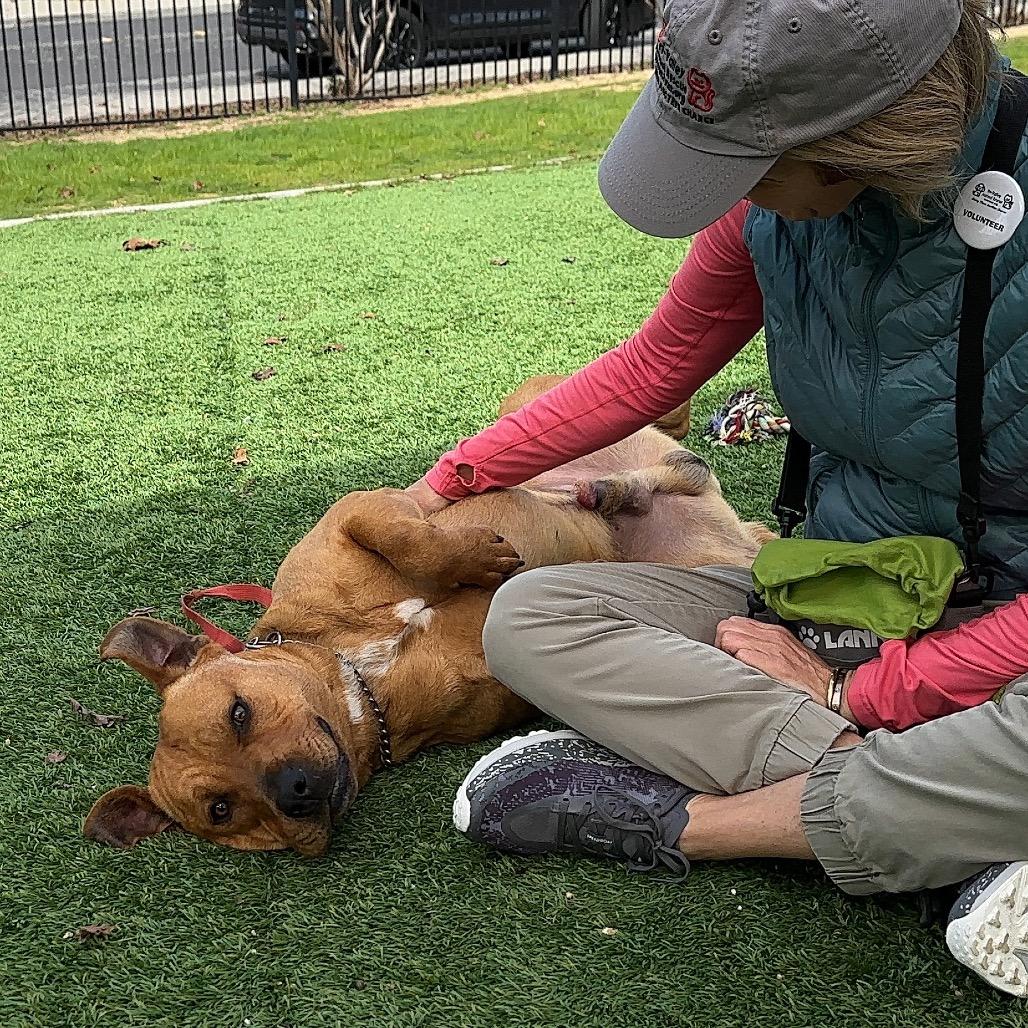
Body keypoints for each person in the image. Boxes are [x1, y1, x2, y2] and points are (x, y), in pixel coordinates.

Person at [411, 0, 1028, 998]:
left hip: (998, 638)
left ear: (856, 142)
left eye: (747, 168)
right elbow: (652, 366)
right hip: (836, 593)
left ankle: (695, 822)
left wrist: (858, 696)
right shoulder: (773, 219)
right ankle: (946, 818)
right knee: (529, 618)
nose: (724, 198)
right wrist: (443, 483)